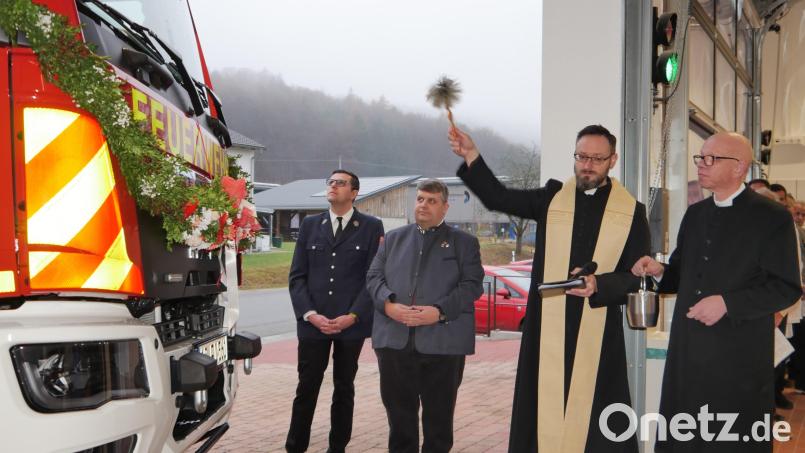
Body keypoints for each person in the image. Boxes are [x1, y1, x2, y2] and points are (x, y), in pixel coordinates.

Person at [449, 124, 650, 452]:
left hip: (597, 329)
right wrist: (472, 154)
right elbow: (498, 197)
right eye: (582, 156)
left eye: (597, 159)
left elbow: (635, 275)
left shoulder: (631, 212)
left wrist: (600, 283)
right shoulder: (552, 199)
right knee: (540, 410)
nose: (587, 165)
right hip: (546, 328)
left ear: (612, 160)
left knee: (597, 418)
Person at [632, 132, 801, 452]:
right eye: (700, 157)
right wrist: (659, 271)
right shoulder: (695, 215)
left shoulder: (773, 217)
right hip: (689, 351)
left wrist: (727, 303)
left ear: (739, 167)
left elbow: (786, 287)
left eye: (711, 159)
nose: (701, 165)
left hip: (737, 355)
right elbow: (680, 275)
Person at [366, 179, 483, 453]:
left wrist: (439, 312)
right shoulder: (393, 239)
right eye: (420, 199)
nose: (424, 205)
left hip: (443, 345)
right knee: (399, 420)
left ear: (445, 207)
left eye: (431, 201)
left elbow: (472, 285)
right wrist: (388, 304)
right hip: (395, 344)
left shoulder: (464, 243)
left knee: (439, 423)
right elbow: (373, 277)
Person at [285, 169, 384, 453]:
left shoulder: (371, 226)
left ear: (354, 192)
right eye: (330, 182)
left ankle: (337, 447)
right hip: (312, 324)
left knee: (344, 388)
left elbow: (373, 277)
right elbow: (297, 276)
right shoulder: (309, 225)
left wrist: (352, 316)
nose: (333, 186)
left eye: (340, 183)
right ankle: (295, 446)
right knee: (307, 388)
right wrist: (310, 314)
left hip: (350, 324)